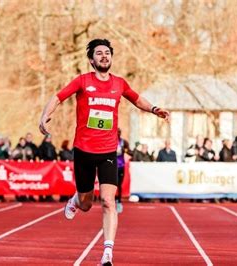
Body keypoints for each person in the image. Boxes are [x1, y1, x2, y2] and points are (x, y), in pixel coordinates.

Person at [39, 39, 170, 266]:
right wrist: (44, 116)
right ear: (91, 59)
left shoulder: (119, 84)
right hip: (83, 151)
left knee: (108, 201)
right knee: (87, 204)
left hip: (108, 150)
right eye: (99, 53)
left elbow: (137, 99)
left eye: (107, 53)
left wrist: (155, 109)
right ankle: (76, 200)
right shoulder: (82, 81)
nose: (104, 56)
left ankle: (107, 253)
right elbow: (58, 97)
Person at [115, 128, 130, 213]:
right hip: (113, 166)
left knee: (119, 184)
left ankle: (119, 201)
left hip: (121, 165)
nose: (118, 134)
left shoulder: (123, 142)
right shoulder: (111, 141)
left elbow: (130, 151)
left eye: (119, 133)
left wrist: (125, 150)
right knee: (114, 184)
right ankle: (114, 200)